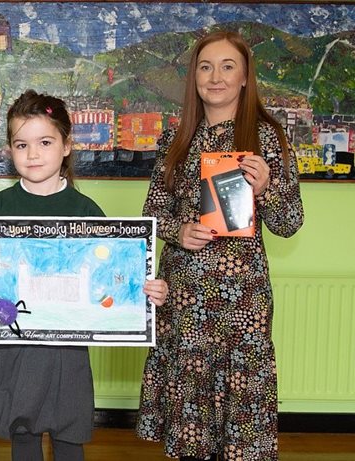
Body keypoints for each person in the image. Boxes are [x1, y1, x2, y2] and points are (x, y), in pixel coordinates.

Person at [0, 90, 169, 461]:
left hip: (68, 351)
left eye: (44, 142)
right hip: (14, 346)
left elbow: (110, 281)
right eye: (22, 144)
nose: (33, 154)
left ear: (67, 145)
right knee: (23, 429)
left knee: (69, 430)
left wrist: (145, 291)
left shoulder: (85, 210)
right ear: (10, 150)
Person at [135, 31, 304, 461]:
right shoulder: (176, 141)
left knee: (241, 424)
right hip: (185, 301)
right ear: (194, 77)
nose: (216, 77)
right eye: (206, 66)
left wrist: (266, 188)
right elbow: (151, 214)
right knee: (191, 426)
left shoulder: (269, 140)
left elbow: (289, 224)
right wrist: (179, 230)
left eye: (228, 66)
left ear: (246, 76)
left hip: (242, 304)